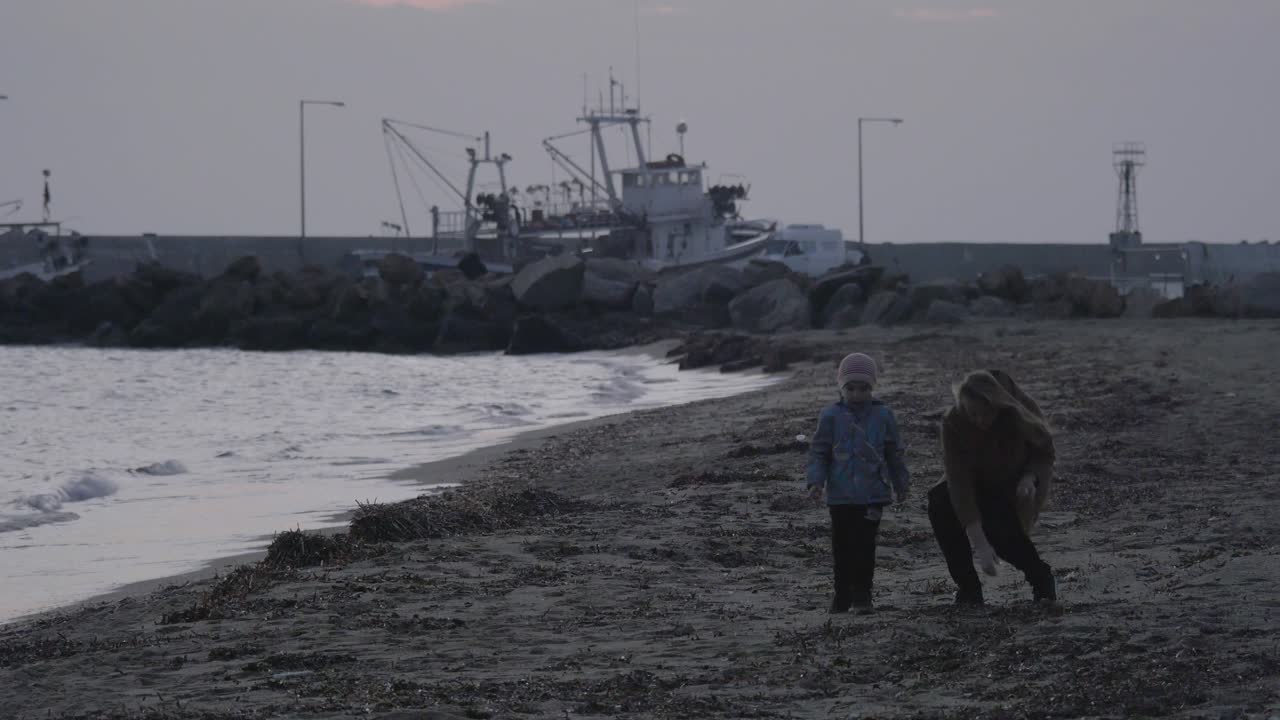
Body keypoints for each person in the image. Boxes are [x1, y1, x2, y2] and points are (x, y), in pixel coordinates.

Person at [927, 369, 1057, 606]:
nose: (978, 420)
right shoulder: (954, 420)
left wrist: (1029, 478)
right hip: (972, 478)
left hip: (1011, 482)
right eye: (971, 413)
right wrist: (979, 544)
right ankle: (968, 588)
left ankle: (1041, 579)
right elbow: (958, 480)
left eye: (984, 414)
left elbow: (1044, 452)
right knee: (939, 502)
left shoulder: (1020, 412)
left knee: (1003, 538)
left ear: (998, 406)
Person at [806, 352, 910, 614]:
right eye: (850, 388)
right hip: (840, 496)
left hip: (873, 494)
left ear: (872, 387)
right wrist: (815, 482)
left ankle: (863, 596)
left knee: (865, 546)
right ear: (841, 387)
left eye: (863, 388)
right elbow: (820, 452)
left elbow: (893, 452)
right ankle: (841, 596)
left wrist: (901, 484)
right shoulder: (830, 416)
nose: (857, 394)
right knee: (842, 548)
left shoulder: (883, 415)